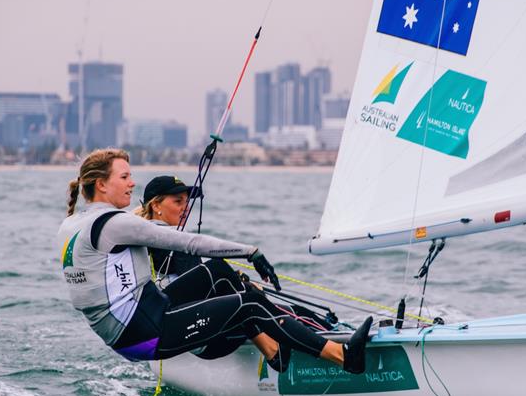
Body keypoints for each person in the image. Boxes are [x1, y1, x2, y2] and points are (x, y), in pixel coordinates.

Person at [57, 148, 372, 375]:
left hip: (141, 316)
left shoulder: (72, 224)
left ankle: (276, 350)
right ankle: (344, 357)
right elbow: (190, 242)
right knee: (249, 304)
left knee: (219, 273)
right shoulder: (116, 224)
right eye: (124, 177)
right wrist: (250, 251)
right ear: (101, 184)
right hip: (142, 332)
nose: (131, 183)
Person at [135, 175, 287, 369]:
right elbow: (203, 289)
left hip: (182, 335)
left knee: (258, 299)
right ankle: (275, 351)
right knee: (270, 306)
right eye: (178, 201)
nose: (186, 207)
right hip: (207, 339)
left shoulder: (143, 238)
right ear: (156, 205)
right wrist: (243, 288)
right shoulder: (172, 243)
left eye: (187, 201)